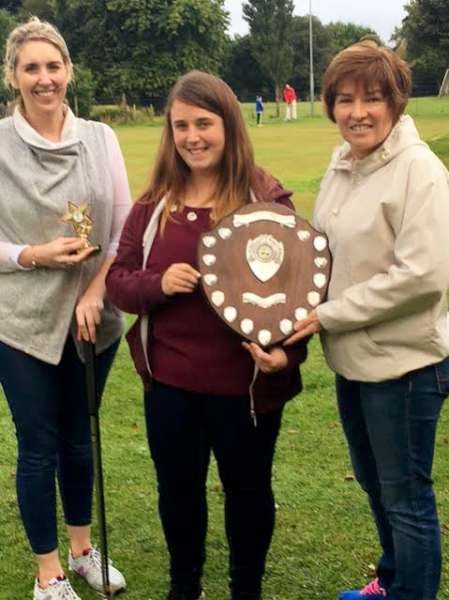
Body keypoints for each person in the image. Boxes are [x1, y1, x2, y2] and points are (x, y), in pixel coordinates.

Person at [106, 70, 309, 600]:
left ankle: (246, 590)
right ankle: (185, 586)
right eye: (180, 126)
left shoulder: (266, 200)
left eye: (204, 123)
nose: (192, 136)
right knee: (178, 495)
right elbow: (118, 283)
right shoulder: (154, 206)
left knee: (248, 495)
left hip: (243, 391)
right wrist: (158, 283)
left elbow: (299, 295)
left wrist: (284, 356)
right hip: (171, 385)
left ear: (229, 126)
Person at [286, 41, 449, 600]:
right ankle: (393, 580)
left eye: (373, 98)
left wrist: (325, 314)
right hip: (354, 361)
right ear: (330, 104)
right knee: (380, 489)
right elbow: (323, 253)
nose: (358, 111)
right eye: (346, 99)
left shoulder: (420, 171)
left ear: (396, 103)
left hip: (404, 366)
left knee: (407, 499)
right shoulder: (343, 164)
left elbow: (423, 276)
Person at [0, 17, 131, 600]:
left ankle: (82, 550)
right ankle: (47, 572)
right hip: (22, 324)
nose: (44, 78)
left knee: (80, 439)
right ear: (13, 76)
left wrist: (98, 287)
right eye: (31, 67)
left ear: (68, 71)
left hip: (91, 320)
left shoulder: (101, 138)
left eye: (53, 66)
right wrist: (32, 253)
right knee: (39, 444)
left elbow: (125, 230)